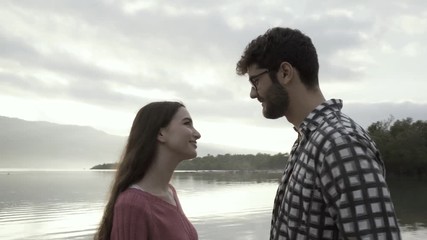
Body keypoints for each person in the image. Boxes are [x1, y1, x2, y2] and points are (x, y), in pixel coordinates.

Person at [236, 27, 401, 240]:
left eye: (255, 81)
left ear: (285, 73)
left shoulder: (340, 145)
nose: (252, 93)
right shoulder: (308, 141)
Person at [94, 101, 201, 240]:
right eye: (187, 123)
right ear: (161, 133)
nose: (197, 134)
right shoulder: (132, 205)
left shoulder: (170, 193)